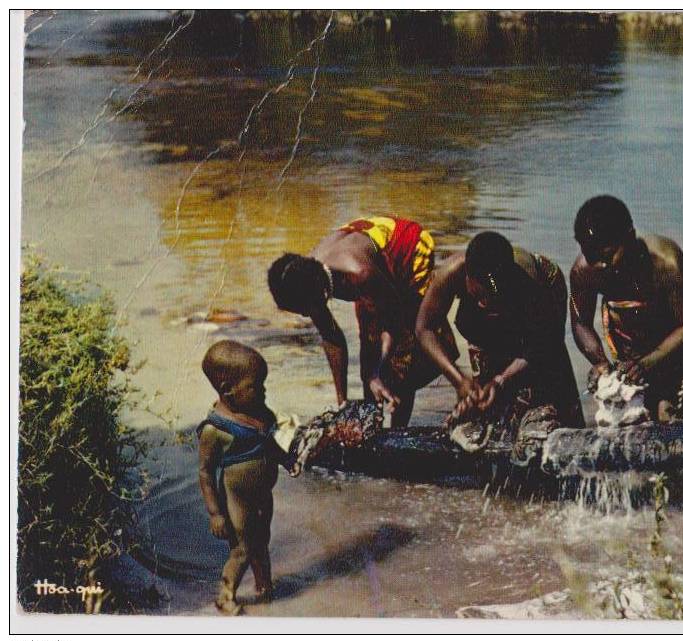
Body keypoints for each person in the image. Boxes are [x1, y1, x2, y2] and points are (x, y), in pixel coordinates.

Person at [267, 216, 456, 427]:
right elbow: (331, 337)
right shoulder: (305, 278)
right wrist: (343, 403)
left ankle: (399, 430)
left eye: (303, 310)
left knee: (403, 359)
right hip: (367, 257)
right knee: (369, 352)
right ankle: (371, 427)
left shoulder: (359, 275)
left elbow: (393, 323)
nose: (304, 316)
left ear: (318, 295)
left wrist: (378, 372)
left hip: (408, 249)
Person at [415, 231, 584, 428]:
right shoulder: (451, 274)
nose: (485, 304)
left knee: (550, 378)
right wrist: (459, 380)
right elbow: (424, 329)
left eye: (492, 299)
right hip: (498, 313)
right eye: (479, 296)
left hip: (544, 290)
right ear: (467, 276)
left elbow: (543, 343)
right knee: (488, 403)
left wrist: (502, 380)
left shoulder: (529, 285)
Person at [570, 195, 683, 421]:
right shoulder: (583, 271)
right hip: (631, 325)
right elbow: (581, 323)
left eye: (608, 257)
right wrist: (600, 362)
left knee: (678, 415)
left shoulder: (666, 262)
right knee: (632, 408)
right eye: (592, 257)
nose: (602, 266)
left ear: (630, 237)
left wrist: (646, 364)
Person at [197, 340, 291, 615]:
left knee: (262, 540)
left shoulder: (263, 414)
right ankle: (225, 595)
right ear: (228, 390)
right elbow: (205, 472)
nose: (263, 391)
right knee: (242, 547)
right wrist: (215, 513)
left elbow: (276, 442)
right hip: (236, 500)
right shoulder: (215, 430)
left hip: (263, 495)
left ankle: (264, 586)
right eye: (256, 385)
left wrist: (288, 459)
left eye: (263, 384)